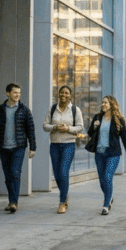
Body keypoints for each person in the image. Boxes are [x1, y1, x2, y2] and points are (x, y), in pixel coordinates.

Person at [0, 83, 36, 214]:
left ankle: (14, 202)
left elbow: (31, 129)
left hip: (18, 147)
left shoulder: (24, 110)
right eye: (15, 93)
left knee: (15, 172)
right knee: (8, 176)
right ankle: (11, 201)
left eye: (19, 93)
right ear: (8, 93)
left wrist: (32, 147)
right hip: (3, 147)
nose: (17, 95)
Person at [85, 95, 126, 215]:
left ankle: (106, 204)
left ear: (112, 105)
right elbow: (90, 133)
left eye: (106, 102)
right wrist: (95, 126)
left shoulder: (118, 120)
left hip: (113, 154)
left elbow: (125, 139)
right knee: (102, 181)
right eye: (102, 102)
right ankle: (110, 196)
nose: (103, 104)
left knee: (107, 177)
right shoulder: (97, 117)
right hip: (100, 154)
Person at [43, 85, 84, 214]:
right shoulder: (52, 108)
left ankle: (62, 202)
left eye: (66, 93)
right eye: (61, 93)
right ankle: (65, 195)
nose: (64, 95)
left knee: (63, 172)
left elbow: (80, 127)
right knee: (56, 174)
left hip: (68, 145)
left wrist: (68, 129)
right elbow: (45, 126)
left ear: (70, 96)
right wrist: (54, 127)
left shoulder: (75, 110)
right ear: (58, 94)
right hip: (54, 145)